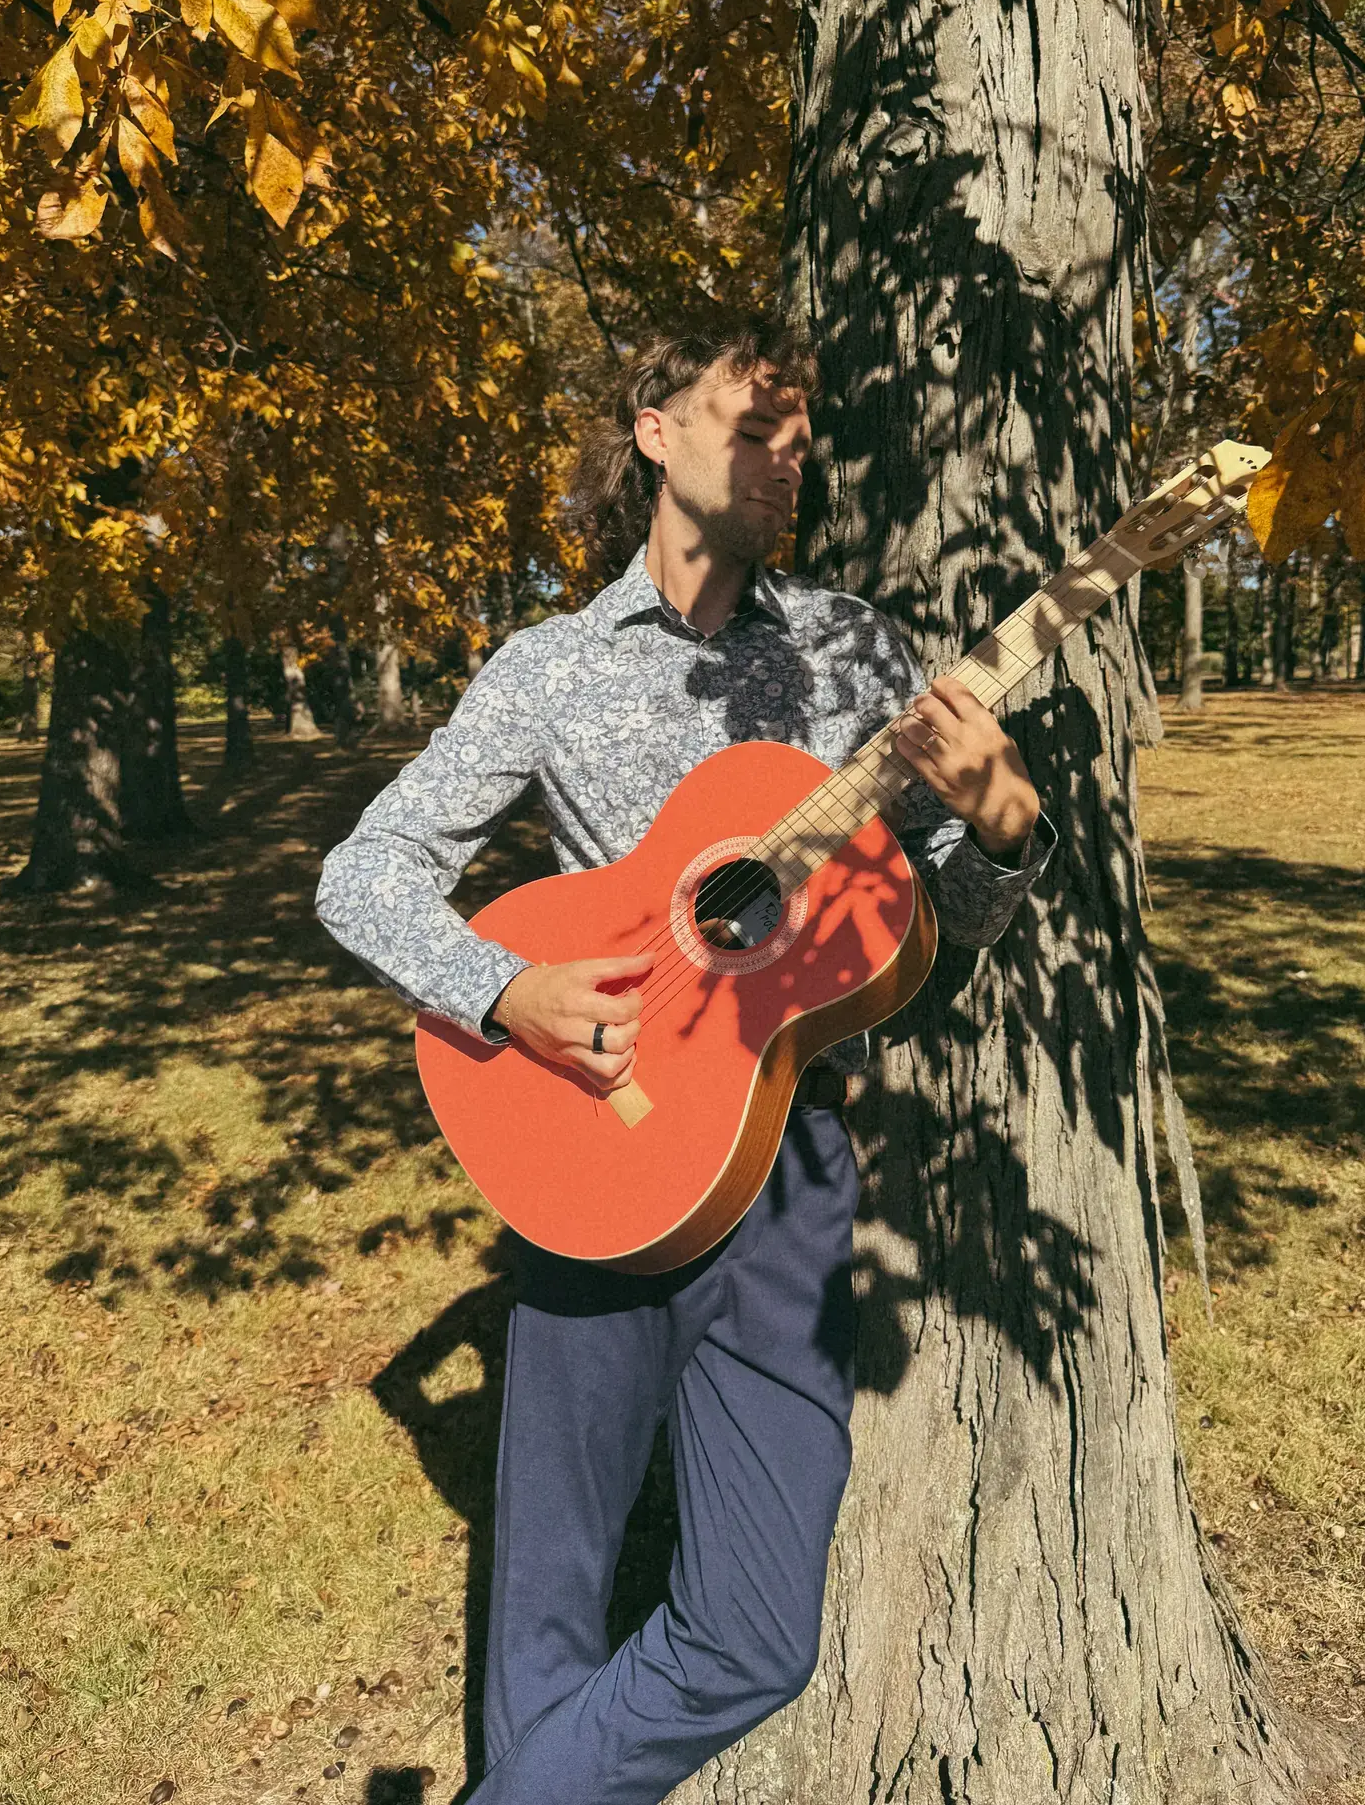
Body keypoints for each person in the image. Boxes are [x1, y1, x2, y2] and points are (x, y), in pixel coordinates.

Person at [315, 317, 1055, 1804]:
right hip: (591, 1152)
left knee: (756, 1634)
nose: (793, 453)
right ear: (655, 429)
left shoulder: (849, 651)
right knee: (546, 1607)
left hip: (788, 1176)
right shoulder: (548, 668)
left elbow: (947, 927)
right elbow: (362, 873)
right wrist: (503, 985)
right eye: (756, 422)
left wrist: (1006, 827)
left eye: (804, 433)